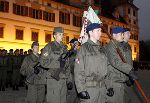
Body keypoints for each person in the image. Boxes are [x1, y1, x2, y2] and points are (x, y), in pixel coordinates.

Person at [74, 23, 108, 103]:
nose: (100, 33)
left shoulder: (102, 49)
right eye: (98, 30)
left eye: (100, 30)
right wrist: (81, 89)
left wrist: (108, 86)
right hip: (89, 89)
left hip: (102, 89)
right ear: (90, 32)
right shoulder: (84, 48)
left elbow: (107, 69)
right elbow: (78, 71)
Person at [105, 27, 138, 103]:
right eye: (121, 34)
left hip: (120, 82)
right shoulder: (111, 46)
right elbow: (116, 62)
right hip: (113, 82)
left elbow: (126, 62)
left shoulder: (119, 46)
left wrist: (128, 78)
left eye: (123, 34)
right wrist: (129, 70)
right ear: (114, 35)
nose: (123, 36)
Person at [40, 27, 71, 103]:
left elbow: (67, 65)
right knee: (54, 100)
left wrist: (69, 79)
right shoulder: (49, 47)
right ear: (54, 35)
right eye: (60, 34)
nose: (62, 36)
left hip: (63, 78)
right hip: (53, 79)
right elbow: (43, 61)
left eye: (62, 34)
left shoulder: (65, 48)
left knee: (63, 100)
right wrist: (58, 64)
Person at [67, 38, 79, 103]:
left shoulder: (79, 52)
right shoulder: (69, 53)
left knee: (78, 95)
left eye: (78, 43)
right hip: (72, 76)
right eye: (75, 43)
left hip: (79, 77)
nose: (77, 44)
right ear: (71, 44)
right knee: (72, 94)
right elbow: (68, 66)